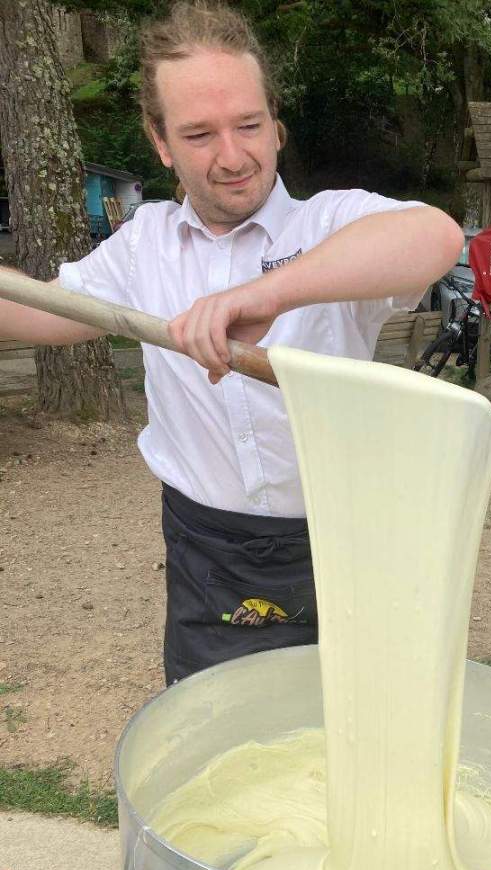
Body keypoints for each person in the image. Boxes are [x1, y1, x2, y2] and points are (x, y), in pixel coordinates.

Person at [0, 1, 464, 683]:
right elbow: (41, 311)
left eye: (248, 125)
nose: (232, 156)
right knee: (212, 750)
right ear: (160, 143)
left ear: (274, 123)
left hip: (342, 543)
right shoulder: (143, 247)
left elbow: (436, 239)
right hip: (205, 553)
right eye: (199, 135)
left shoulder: (330, 224)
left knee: (346, 745)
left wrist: (264, 294)